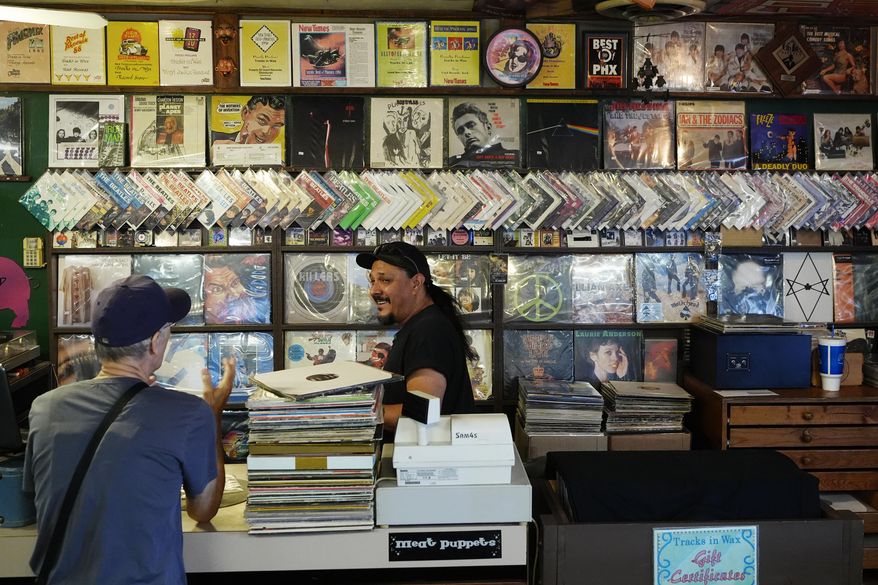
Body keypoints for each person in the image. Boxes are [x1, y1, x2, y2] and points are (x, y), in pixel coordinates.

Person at [23, 275, 236, 584]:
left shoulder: (44, 409)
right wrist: (213, 414)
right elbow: (203, 511)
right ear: (155, 341)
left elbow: (38, 498)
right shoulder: (188, 413)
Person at [356, 242, 475, 433]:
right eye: (372, 281)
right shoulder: (422, 325)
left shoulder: (429, 330)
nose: (374, 290)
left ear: (416, 283)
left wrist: (350, 412)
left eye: (385, 280)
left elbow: (422, 411)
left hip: (427, 462)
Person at [448, 102, 516, 168]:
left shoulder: (514, 157)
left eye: (471, 125)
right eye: (460, 131)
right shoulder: (452, 164)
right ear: (459, 138)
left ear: (488, 127)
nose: (466, 132)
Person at [211, 95, 285, 145]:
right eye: (262, 120)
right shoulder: (212, 141)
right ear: (245, 113)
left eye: (276, 126)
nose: (266, 131)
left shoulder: (278, 164)